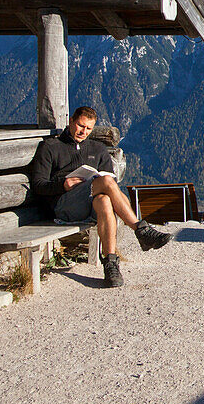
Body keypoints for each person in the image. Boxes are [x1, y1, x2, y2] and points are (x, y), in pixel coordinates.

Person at [30, 106, 172, 288]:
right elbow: (38, 185)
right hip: (62, 206)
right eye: (80, 126)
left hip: (90, 205)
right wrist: (63, 185)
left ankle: (111, 265)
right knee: (105, 181)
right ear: (71, 121)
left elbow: (111, 185)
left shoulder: (97, 149)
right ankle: (140, 229)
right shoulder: (51, 147)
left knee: (105, 199)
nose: (84, 132)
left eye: (89, 128)